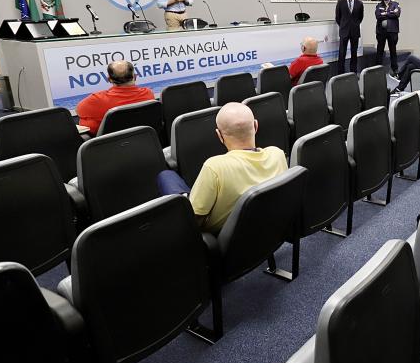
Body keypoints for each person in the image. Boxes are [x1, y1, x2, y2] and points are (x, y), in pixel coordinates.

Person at [156, 102, 287, 234]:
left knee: (166, 176)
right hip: (267, 229)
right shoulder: (277, 154)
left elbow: (196, 219)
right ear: (256, 126)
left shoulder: (215, 167)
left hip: (224, 240)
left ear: (219, 135)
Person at [75, 60, 154, 135]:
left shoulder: (97, 99)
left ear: (109, 79)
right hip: (144, 139)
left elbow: (79, 111)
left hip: (111, 145)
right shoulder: (148, 93)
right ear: (135, 76)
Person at [335, 0, 363, 74]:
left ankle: (353, 73)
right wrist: (344, 26)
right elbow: (338, 18)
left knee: (354, 53)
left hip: (355, 31)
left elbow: (360, 17)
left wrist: (353, 25)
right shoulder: (340, 2)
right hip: (344, 31)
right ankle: (340, 73)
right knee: (342, 53)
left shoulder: (359, 3)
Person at [375, 0, 401, 79]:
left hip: (392, 31)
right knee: (380, 51)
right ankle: (377, 70)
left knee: (393, 51)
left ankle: (395, 70)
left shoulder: (395, 4)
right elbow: (378, 15)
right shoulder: (379, 5)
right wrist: (390, 12)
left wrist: (385, 13)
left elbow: (397, 14)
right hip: (381, 32)